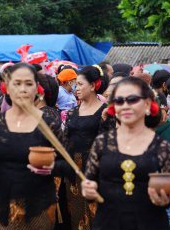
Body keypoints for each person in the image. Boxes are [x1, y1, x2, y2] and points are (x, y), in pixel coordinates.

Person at [81, 76, 170, 230]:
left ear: (147, 105)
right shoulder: (101, 142)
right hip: (108, 224)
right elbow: (89, 183)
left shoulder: (162, 147)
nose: (125, 106)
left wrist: (166, 198)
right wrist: (88, 190)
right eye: (119, 101)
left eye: (132, 99)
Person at [0, 63, 62, 229]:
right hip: (0, 208)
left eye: (28, 84)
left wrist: (52, 167)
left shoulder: (50, 124)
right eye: (17, 83)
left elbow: (66, 164)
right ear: (7, 88)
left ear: (37, 88)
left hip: (38, 208)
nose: (23, 89)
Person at [62, 65, 109, 230]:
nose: (77, 88)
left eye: (81, 84)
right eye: (76, 84)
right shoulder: (73, 112)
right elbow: (66, 139)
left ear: (93, 85)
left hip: (94, 169)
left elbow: (107, 143)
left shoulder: (105, 112)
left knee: (94, 214)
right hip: (73, 170)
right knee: (75, 215)